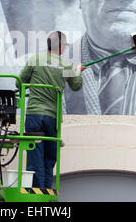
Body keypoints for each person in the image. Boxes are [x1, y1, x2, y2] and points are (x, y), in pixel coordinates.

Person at [19, 31, 87, 188]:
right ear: (61, 46)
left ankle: (35, 193)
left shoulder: (35, 59)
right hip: (52, 117)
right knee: (49, 159)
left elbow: (20, 82)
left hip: (34, 114)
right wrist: (78, 71)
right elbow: (76, 85)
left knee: (35, 155)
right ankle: (46, 193)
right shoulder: (65, 66)